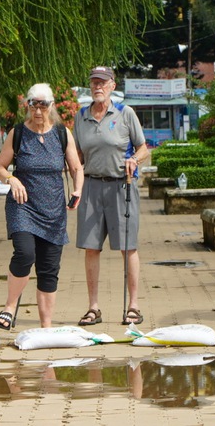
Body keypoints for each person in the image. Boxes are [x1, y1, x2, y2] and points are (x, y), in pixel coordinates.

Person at [0, 83, 84, 329]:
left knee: (48, 269)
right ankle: (10, 307)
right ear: (28, 106)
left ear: (51, 106)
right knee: (25, 253)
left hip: (53, 210)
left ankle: (46, 326)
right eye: (34, 104)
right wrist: (12, 180)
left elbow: (76, 168)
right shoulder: (18, 133)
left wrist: (77, 190)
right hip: (22, 206)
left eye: (43, 104)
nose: (38, 110)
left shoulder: (62, 133)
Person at [73, 66, 149, 326]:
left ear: (112, 86)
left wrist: (134, 160)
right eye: (94, 82)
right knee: (91, 247)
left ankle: (133, 306)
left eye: (103, 83)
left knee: (128, 247)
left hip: (122, 186)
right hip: (92, 187)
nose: (98, 87)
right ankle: (93, 307)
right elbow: (77, 156)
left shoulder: (126, 114)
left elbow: (143, 149)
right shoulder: (81, 117)